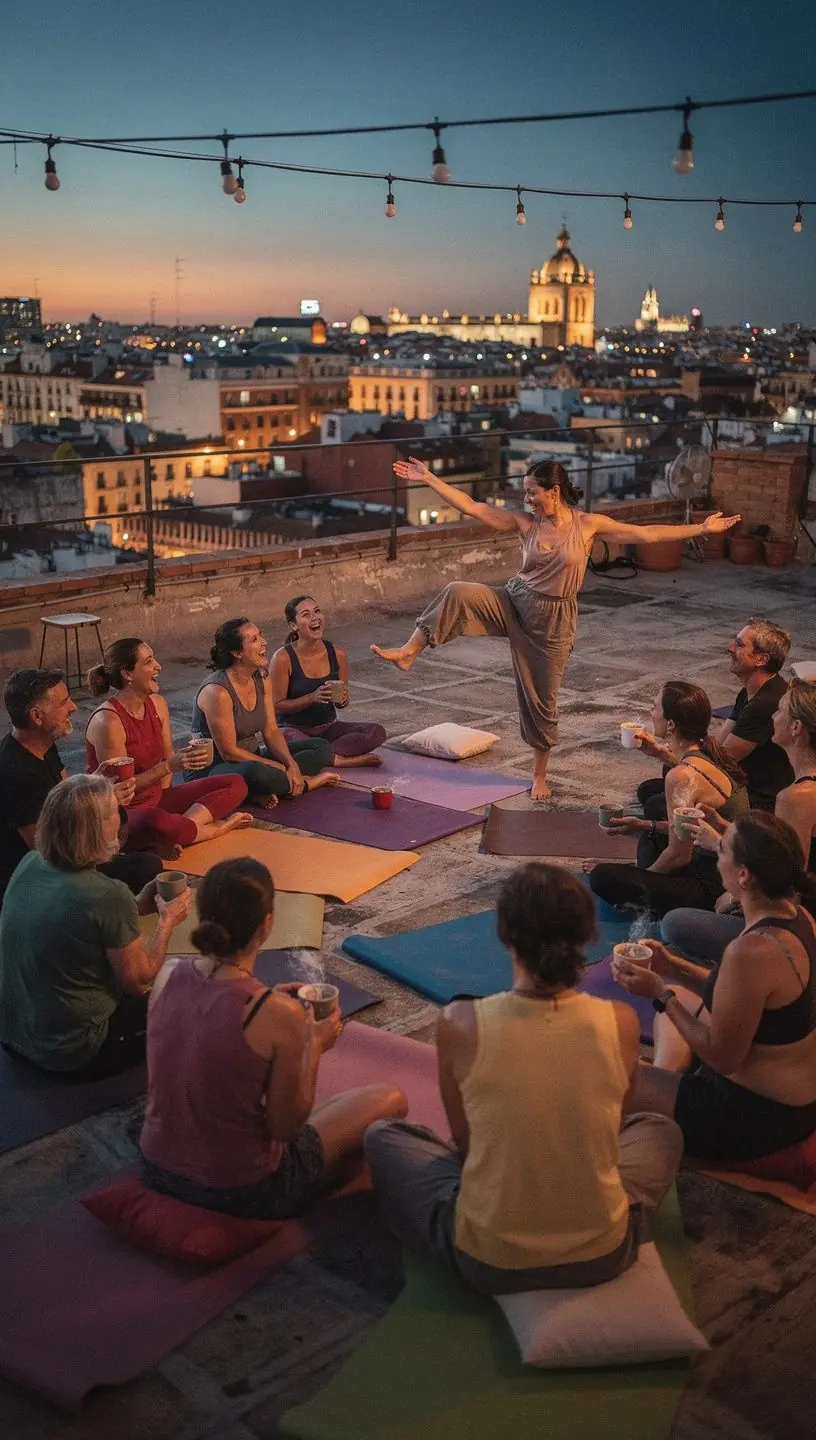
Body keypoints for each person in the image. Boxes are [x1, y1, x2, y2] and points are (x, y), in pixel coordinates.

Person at [363, 864, 682, 1294]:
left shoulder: (460, 1021)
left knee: (385, 1136)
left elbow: (467, 1144)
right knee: (659, 1131)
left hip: (488, 1260)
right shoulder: (621, 1022)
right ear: (589, 938)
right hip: (604, 1255)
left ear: (503, 935)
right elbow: (611, 1131)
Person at [370, 457, 739, 800]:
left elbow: (646, 535)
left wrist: (700, 527)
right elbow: (473, 507)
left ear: (555, 492)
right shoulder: (525, 523)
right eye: (526, 492)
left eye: (533, 491)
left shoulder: (588, 525)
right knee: (457, 592)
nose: (527, 498)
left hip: (553, 623)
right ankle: (409, 651)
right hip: (514, 601)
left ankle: (539, 774)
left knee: (541, 700)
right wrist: (430, 478)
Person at [140, 857, 407, 1218]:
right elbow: (285, 1128)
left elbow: (212, 1019)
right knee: (389, 1100)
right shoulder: (278, 1014)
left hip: (157, 1165)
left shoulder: (167, 973)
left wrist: (269, 999)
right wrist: (314, 1046)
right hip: (242, 1190)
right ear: (266, 925)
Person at [612, 814, 816, 1163]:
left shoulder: (750, 952)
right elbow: (740, 994)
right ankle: (665, 1080)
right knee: (689, 1000)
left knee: (606, 1080)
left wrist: (660, 994)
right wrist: (672, 966)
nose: (715, 856)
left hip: (753, 1115)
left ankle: (660, 1098)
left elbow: (723, 1059)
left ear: (743, 875)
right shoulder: (798, 917)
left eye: (722, 850)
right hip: (790, 1095)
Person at [0, 774, 191, 1078]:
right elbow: (139, 980)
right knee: (189, 997)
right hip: (70, 1051)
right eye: (116, 810)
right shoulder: (106, 894)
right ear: (98, 828)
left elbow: (79, 920)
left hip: (13, 1038)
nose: (121, 816)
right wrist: (167, 921)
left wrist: (137, 904)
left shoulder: (29, 862)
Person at [662, 679, 816, 963]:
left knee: (674, 924)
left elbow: (789, 884)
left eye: (779, 711)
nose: (772, 716)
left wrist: (721, 850)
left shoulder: (797, 797)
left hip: (795, 929)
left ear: (796, 728)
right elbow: (781, 856)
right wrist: (724, 826)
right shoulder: (802, 787)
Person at [0, 667, 163, 904]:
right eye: (64, 703)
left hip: (68, 848)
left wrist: (95, 782)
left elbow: (67, 794)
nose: (74, 707)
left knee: (135, 831)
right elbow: (44, 851)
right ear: (37, 716)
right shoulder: (17, 773)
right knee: (149, 867)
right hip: (42, 877)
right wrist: (101, 803)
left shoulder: (41, 742)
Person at [588, 682, 748, 918]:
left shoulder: (680, 776)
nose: (651, 713)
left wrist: (640, 879)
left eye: (655, 707)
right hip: (712, 858)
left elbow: (679, 855)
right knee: (651, 825)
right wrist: (640, 825)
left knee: (602, 877)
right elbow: (686, 832)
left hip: (714, 883)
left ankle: (656, 900)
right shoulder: (707, 751)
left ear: (671, 724)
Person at [86, 638, 252, 858]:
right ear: (128, 674)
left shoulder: (157, 703)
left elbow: (168, 756)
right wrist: (169, 767)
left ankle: (181, 829)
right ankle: (215, 829)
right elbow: (123, 790)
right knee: (154, 821)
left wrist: (175, 766)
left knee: (236, 783)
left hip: (157, 801)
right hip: (124, 813)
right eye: (148, 661)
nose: (158, 666)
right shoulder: (109, 721)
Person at [633, 616, 793, 824]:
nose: (730, 648)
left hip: (758, 800)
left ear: (761, 659)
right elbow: (716, 745)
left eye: (739, 644)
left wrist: (664, 753)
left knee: (656, 804)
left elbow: (718, 764)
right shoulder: (750, 693)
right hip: (739, 781)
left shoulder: (765, 705)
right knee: (651, 789)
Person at [189, 617, 339, 808]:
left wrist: (290, 764)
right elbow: (229, 753)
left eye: (260, 635)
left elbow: (270, 730)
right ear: (237, 653)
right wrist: (278, 767)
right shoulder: (217, 692)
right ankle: (307, 782)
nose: (264, 642)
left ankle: (273, 786)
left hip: (253, 758)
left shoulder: (261, 677)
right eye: (254, 639)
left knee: (322, 748)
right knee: (261, 774)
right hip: (216, 770)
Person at [270, 595, 386, 768]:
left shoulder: (337, 653)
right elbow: (275, 706)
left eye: (317, 611)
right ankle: (341, 760)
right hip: (294, 730)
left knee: (375, 732)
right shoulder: (282, 658)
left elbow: (341, 704)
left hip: (327, 729)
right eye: (306, 614)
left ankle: (321, 755)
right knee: (284, 738)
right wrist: (311, 698)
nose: (315, 617)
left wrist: (343, 699)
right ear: (293, 625)